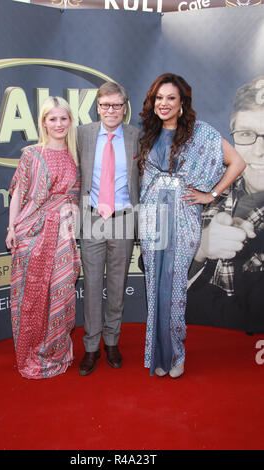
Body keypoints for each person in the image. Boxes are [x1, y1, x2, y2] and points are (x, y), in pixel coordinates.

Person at [139, 73, 245, 378]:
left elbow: (237, 162)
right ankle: (158, 354)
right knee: (154, 285)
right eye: (159, 98)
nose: (164, 103)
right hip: (152, 220)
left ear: (182, 102)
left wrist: (210, 194)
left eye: (171, 98)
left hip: (184, 218)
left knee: (174, 286)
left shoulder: (202, 134)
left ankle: (177, 354)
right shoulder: (149, 132)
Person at [5, 96, 81, 379]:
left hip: (62, 235)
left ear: (70, 121)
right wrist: (12, 228)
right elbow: (17, 193)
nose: (59, 124)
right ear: (44, 123)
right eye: (53, 119)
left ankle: (55, 351)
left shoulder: (76, 156)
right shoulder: (31, 154)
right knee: (32, 299)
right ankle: (30, 354)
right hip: (31, 234)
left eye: (63, 118)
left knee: (60, 297)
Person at [187, 76, 264, 334]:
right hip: (206, 346)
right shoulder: (207, 185)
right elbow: (151, 262)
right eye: (246, 134)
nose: (259, 150)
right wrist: (199, 247)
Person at [77, 81, 140, 376]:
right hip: (91, 218)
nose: (111, 110)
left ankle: (112, 342)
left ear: (124, 108)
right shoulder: (83, 135)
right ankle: (91, 347)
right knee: (91, 286)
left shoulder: (136, 136)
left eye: (116, 105)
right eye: (105, 105)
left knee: (116, 286)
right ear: (97, 107)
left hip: (124, 217)